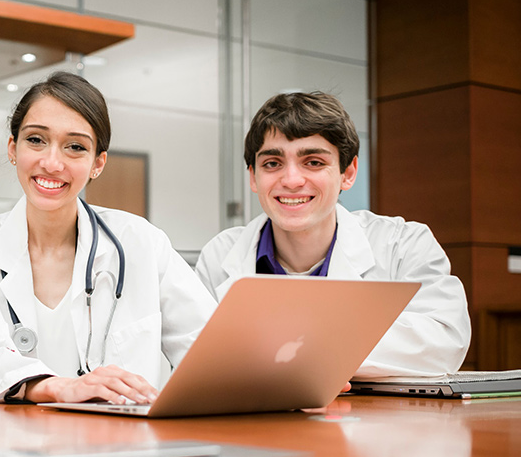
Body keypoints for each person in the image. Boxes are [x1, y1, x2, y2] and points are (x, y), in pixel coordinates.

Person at [0, 72, 217, 405]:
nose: (52, 162)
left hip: (124, 446)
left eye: (75, 147)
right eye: (36, 140)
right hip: (10, 446)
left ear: (98, 163)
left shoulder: (141, 242)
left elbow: (212, 354)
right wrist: (58, 387)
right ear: (13, 148)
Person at [194, 91, 471, 378]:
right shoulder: (220, 255)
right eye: (272, 164)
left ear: (347, 173)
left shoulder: (403, 244)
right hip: (254, 418)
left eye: (313, 162)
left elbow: (446, 341)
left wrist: (302, 352)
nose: (291, 180)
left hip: (375, 419)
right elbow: (194, 361)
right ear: (253, 177)